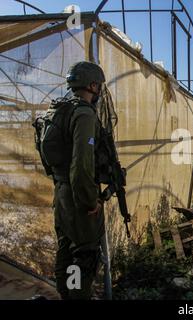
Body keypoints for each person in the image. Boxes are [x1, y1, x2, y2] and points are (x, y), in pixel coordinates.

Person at [52, 61, 106, 299]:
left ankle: (66, 295)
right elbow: (82, 164)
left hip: (62, 192)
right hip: (78, 197)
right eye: (99, 86)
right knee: (83, 255)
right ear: (93, 85)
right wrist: (89, 201)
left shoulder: (59, 109)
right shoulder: (84, 113)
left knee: (66, 250)